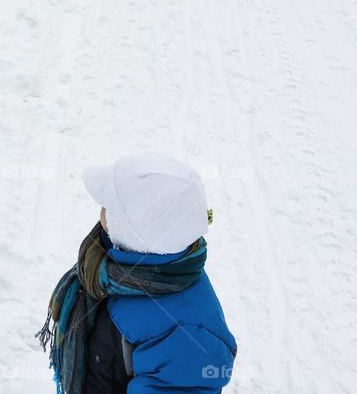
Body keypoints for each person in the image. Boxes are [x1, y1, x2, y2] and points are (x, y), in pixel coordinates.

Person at [38, 155, 237, 394]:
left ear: (134, 231)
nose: (101, 213)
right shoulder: (116, 267)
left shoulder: (189, 337)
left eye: (108, 207)